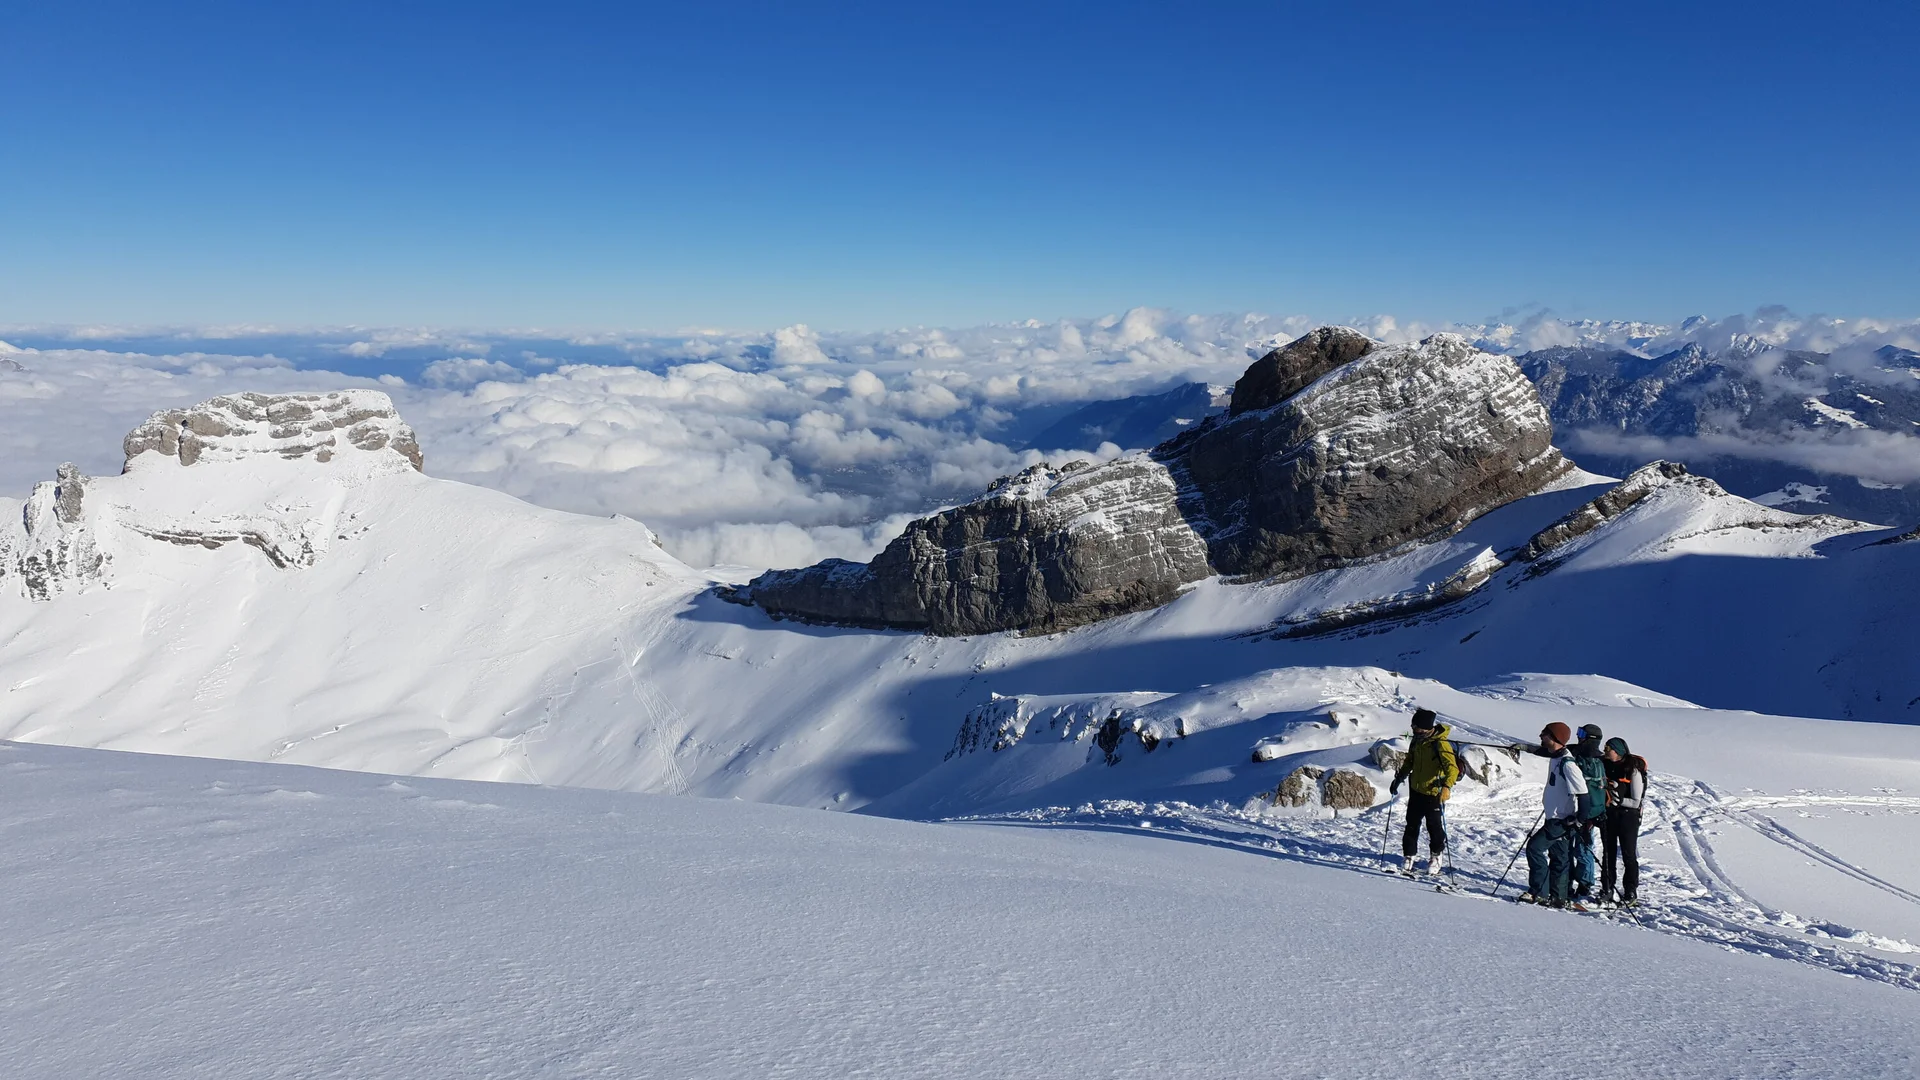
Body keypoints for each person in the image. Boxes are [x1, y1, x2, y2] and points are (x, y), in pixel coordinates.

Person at [1514, 722, 1589, 910]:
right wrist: (1525, 748)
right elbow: (1544, 751)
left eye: (1544, 734)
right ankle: (1559, 897)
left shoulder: (1568, 764)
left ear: (1555, 737)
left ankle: (1538, 893)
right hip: (1556, 818)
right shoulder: (1557, 756)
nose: (1540, 735)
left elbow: (1583, 793)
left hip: (1561, 820)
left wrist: (1580, 819)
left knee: (1534, 848)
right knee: (1560, 858)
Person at [1389, 708, 1460, 878]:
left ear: (1426, 727)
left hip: (1433, 792)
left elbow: (1453, 770)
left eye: (1416, 726)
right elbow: (1409, 762)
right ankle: (1409, 855)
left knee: (1434, 827)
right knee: (1411, 824)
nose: (1413, 729)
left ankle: (1436, 856)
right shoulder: (1417, 741)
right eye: (1413, 726)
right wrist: (1399, 778)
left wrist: (1446, 787)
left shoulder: (1440, 744)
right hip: (1416, 789)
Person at [1601, 736, 1648, 907]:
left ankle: (1630, 892)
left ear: (1618, 751)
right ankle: (1606, 889)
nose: (1605, 751)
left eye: (1608, 749)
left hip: (1628, 816)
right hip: (1609, 814)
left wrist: (1618, 801)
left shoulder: (1632, 769)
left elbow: (1636, 801)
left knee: (1628, 854)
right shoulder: (1604, 765)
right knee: (1608, 853)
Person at [1569, 724, 1609, 900]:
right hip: (1586, 812)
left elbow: (1591, 791)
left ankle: (1584, 884)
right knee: (1579, 848)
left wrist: (1586, 815)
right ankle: (1577, 882)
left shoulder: (1589, 760)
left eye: (1582, 734)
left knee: (1582, 849)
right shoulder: (1597, 759)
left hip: (1584, 813)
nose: (1579, 736)